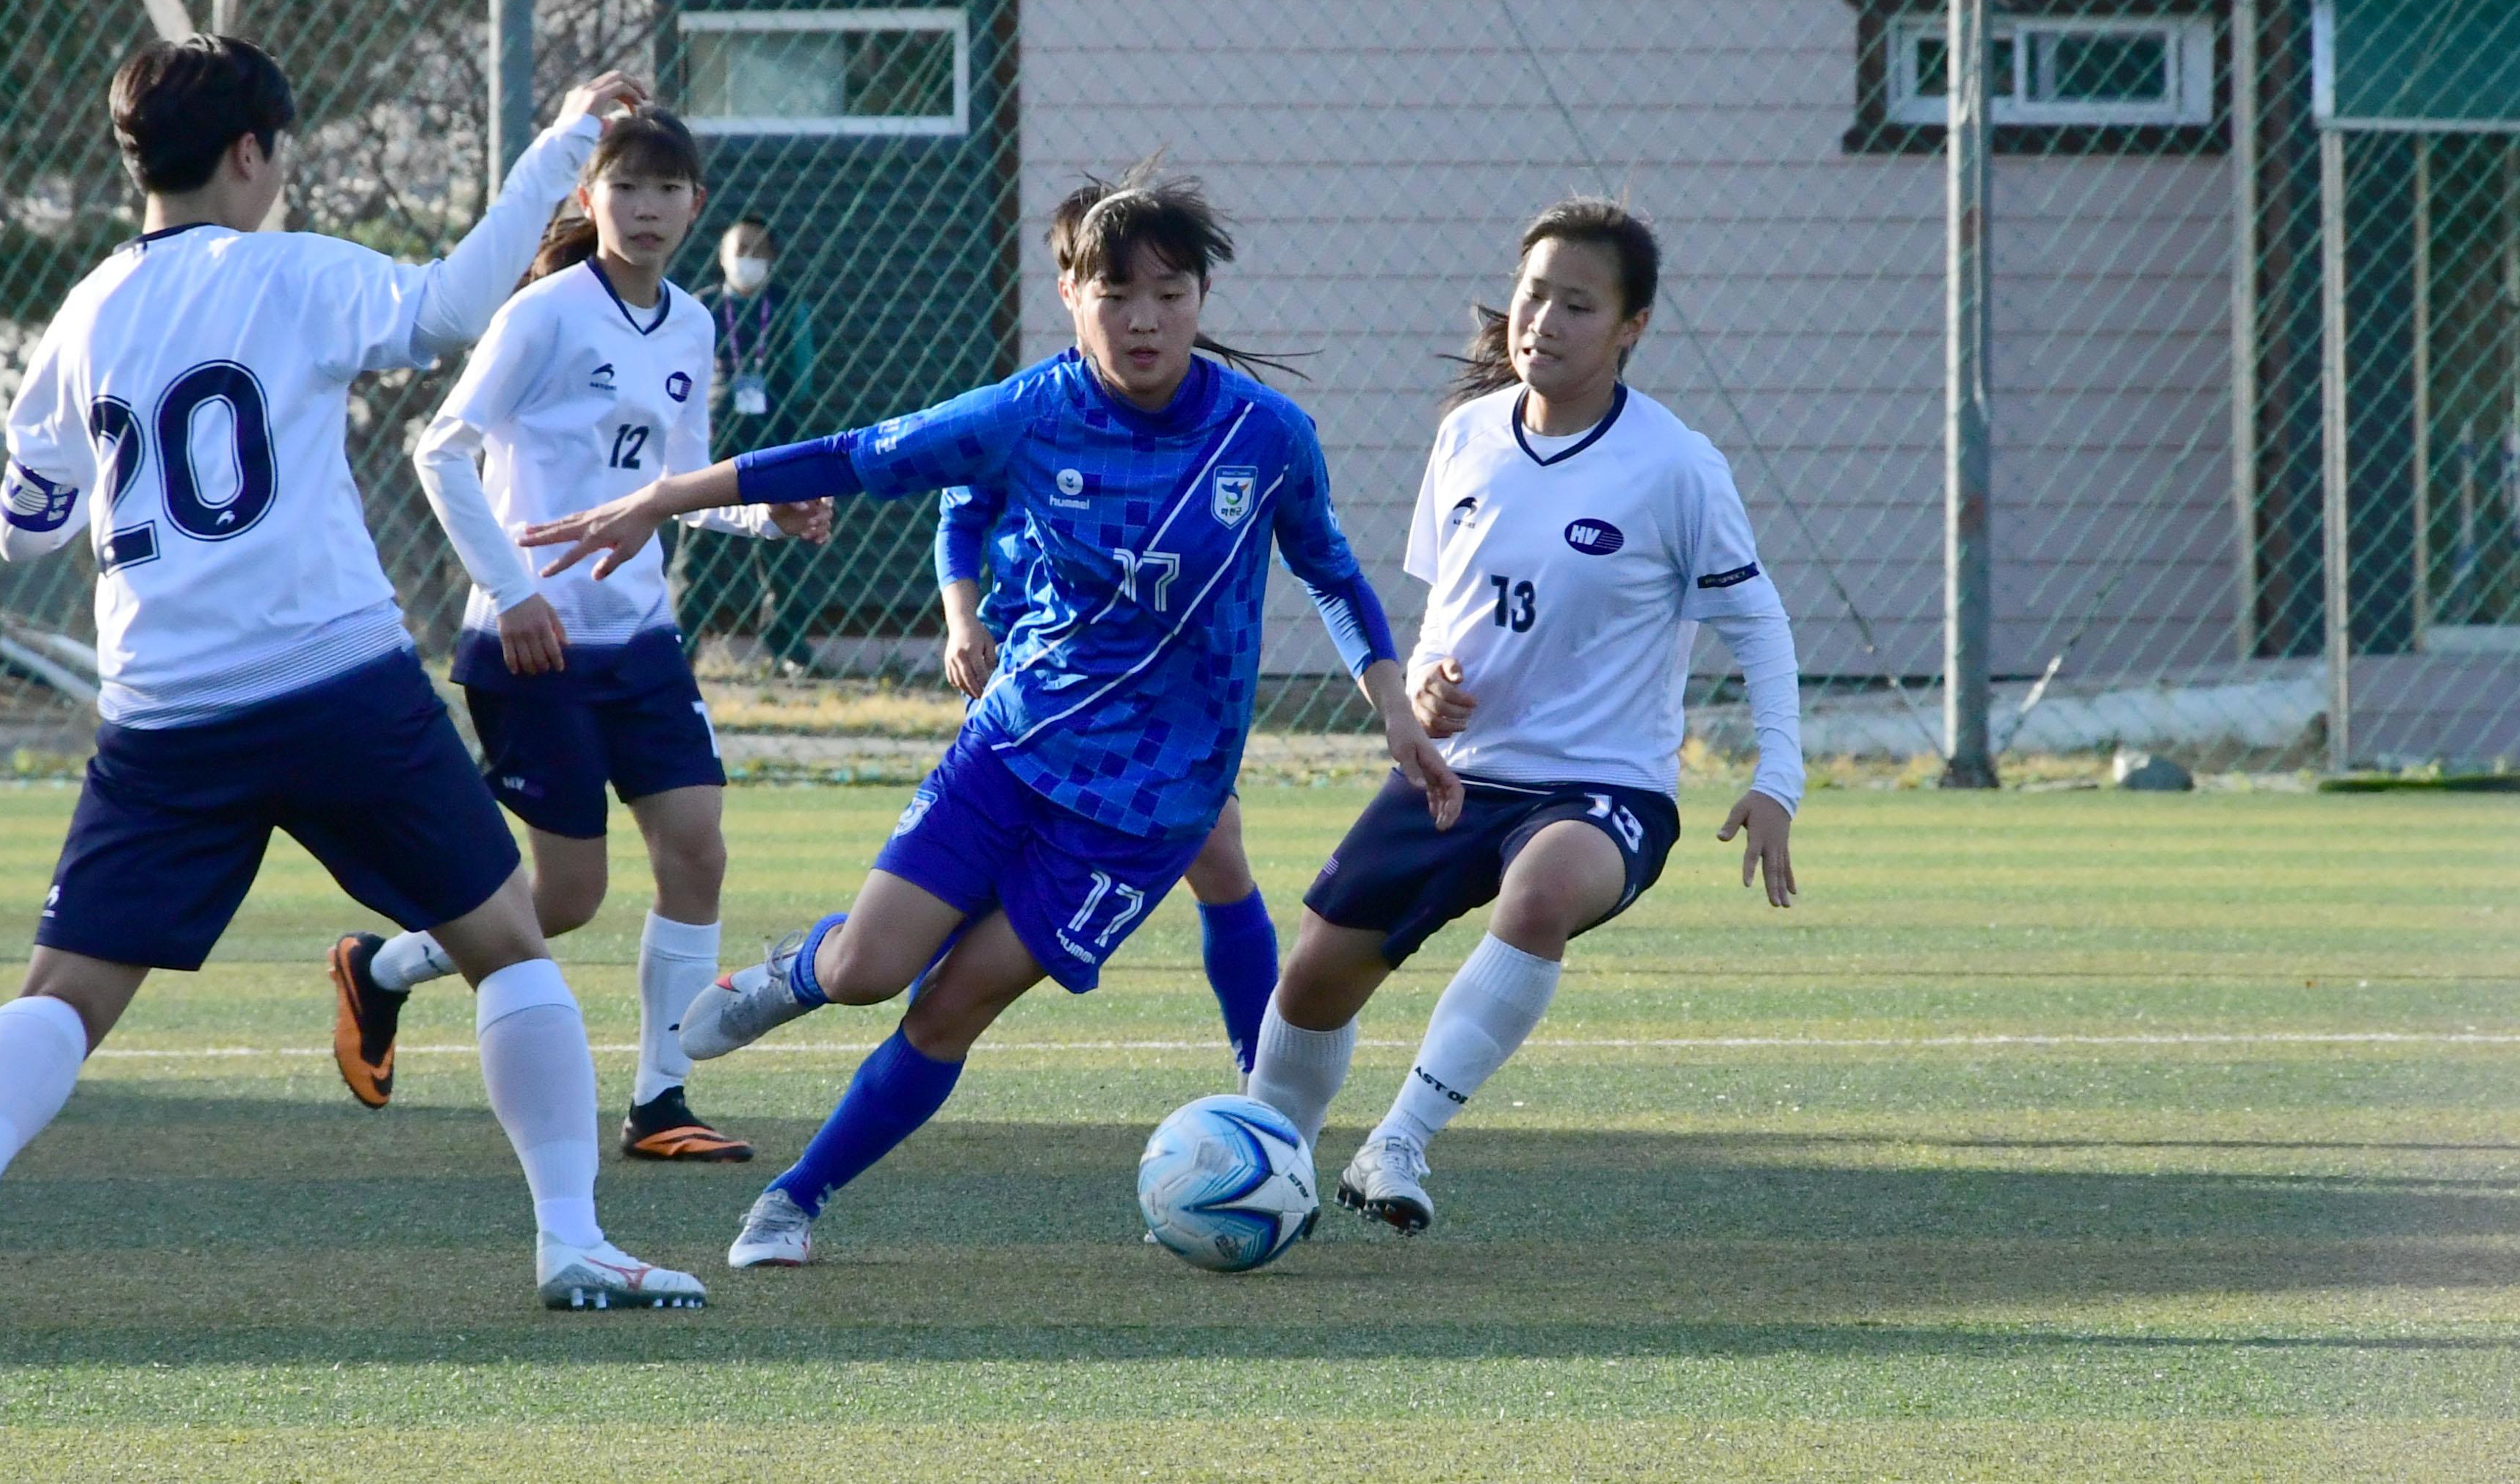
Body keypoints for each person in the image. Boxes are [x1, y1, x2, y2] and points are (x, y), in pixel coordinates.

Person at [0, 37, 706, 1316]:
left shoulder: (81, 313)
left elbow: (22, 526)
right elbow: (449, 308)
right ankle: (570, 1239)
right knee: (510, 948)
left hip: (161, 706)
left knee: (65, 991)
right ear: (250, 153)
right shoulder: (290, 272)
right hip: (335, 679)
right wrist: (561, 144)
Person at [519, 165, 1462, 1269]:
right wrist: (667, 497)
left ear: (1202, 297)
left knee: (951, 1005)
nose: (1145, 318)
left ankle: (790, 1201)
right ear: (1072, 296)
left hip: (1146, 810)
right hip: (1010, 748)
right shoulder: (1032, 412)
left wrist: (1392, 699)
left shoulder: (1264, 435)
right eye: (1116, 293)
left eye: (1169, 291)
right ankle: (795, 974)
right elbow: (858, 457)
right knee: (871, 967)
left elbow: (1335, 574)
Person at [1245, 196, 1803, 1236]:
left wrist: (1778, 780)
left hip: (1604, 788)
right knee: (1315, 977)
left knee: (1542, 893)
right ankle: (1265, 1168)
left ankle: (1397, 1143)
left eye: (1578, 305)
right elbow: (1443, 617)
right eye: (1532, 294)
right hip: (1458, 774)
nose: (1542, 321)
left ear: (1631, 328)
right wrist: (1423, 688)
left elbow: (1759, 623)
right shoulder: (1466, 438)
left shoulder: (1677, 466)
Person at [326, 109, 831, 1165]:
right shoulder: (543, 316)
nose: (646, 209)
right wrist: (513, 593)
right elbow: (441, 454)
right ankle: (378, 972)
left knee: (697, 852)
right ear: (587, 199)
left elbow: (675, 488)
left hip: (641, 640)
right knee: (565, 899)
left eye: (668, 190)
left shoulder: (692, 324)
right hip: (531, 645)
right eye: (625, 187)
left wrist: (761, 511)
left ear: (698, 204)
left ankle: (661, 1103)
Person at [936, 480, 1274, 1076]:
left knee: (1219, 849)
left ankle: (1268, 1081)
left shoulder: (1202, 424)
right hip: (1035, 676)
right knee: (964, 892)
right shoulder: (1028, 408)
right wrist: (962, 620)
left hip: (1152, 678)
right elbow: (961, 511)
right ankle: (859, 974)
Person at [681, 215, 822, 671]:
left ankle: (787, 649)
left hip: (774, 439)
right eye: (739, 250)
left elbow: (803, 376)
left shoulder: (787, 308)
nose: (748, 260)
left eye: (758, 252)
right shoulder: (699, 309)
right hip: (714, 438)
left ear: (773, 260)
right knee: (698, 543)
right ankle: (681, 643)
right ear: (721, 256)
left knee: (781, 541)